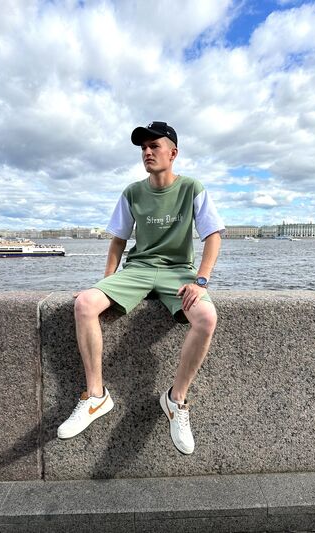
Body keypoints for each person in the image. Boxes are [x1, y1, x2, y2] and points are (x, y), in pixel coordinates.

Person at [57, 121, 225, 454]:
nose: (147, 152)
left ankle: (176, 400)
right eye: (143, 148)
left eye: (154, 146)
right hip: (139, 269)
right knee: (85, 304)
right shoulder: (132, 192)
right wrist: (105, 283)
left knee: (207, 318)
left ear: (172, 153)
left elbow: (213, 236)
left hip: (178, 272)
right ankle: (96, 396)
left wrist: (200, 280)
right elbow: (118, 241)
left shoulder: (192, 188)